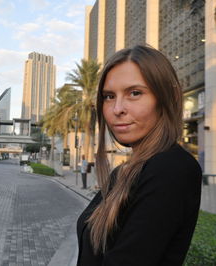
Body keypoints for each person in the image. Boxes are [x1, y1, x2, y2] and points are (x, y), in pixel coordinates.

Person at [76, 45, 202, 266]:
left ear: (167, 98)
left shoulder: (171, 169)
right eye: (108, 96)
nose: (117, 109)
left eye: (135, 93)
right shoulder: (123, 172)